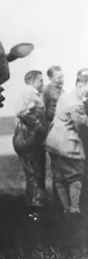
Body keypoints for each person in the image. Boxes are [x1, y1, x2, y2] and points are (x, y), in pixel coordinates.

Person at [45, 69, 88, 218]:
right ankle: (75, 209)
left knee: (59, 178)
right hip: (67, 144)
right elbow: (81, 126)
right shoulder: (76, 103)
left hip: (53, 141)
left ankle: (65, 209)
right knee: (75, 176)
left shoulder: (65, 95)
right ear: (81, 85)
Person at [12, 70, 47, 222]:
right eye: (40, 80)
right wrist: (39, 127)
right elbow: (22, 112)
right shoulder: (29, 94)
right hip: (28, 140)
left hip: (30, 139)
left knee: (35, 174)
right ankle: (34, 213)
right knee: (34, 175)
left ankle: (36, 209)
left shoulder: (31, 94)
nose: (43, 83)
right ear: (31, 81)